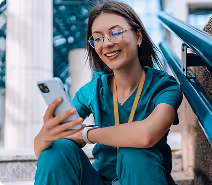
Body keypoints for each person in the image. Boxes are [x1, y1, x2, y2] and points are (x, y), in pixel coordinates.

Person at [33, 1, 183, 185]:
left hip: (143, 177)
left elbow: (147, 135)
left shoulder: (164, 86)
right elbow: (42, 151)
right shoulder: (93, 89)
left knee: (134, 152)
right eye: (97, 38)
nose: (107, 43)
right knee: (57, 150)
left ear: (138, 36)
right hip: (99, 180)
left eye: (115, 32)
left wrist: (86, 134)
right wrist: (46, 135)